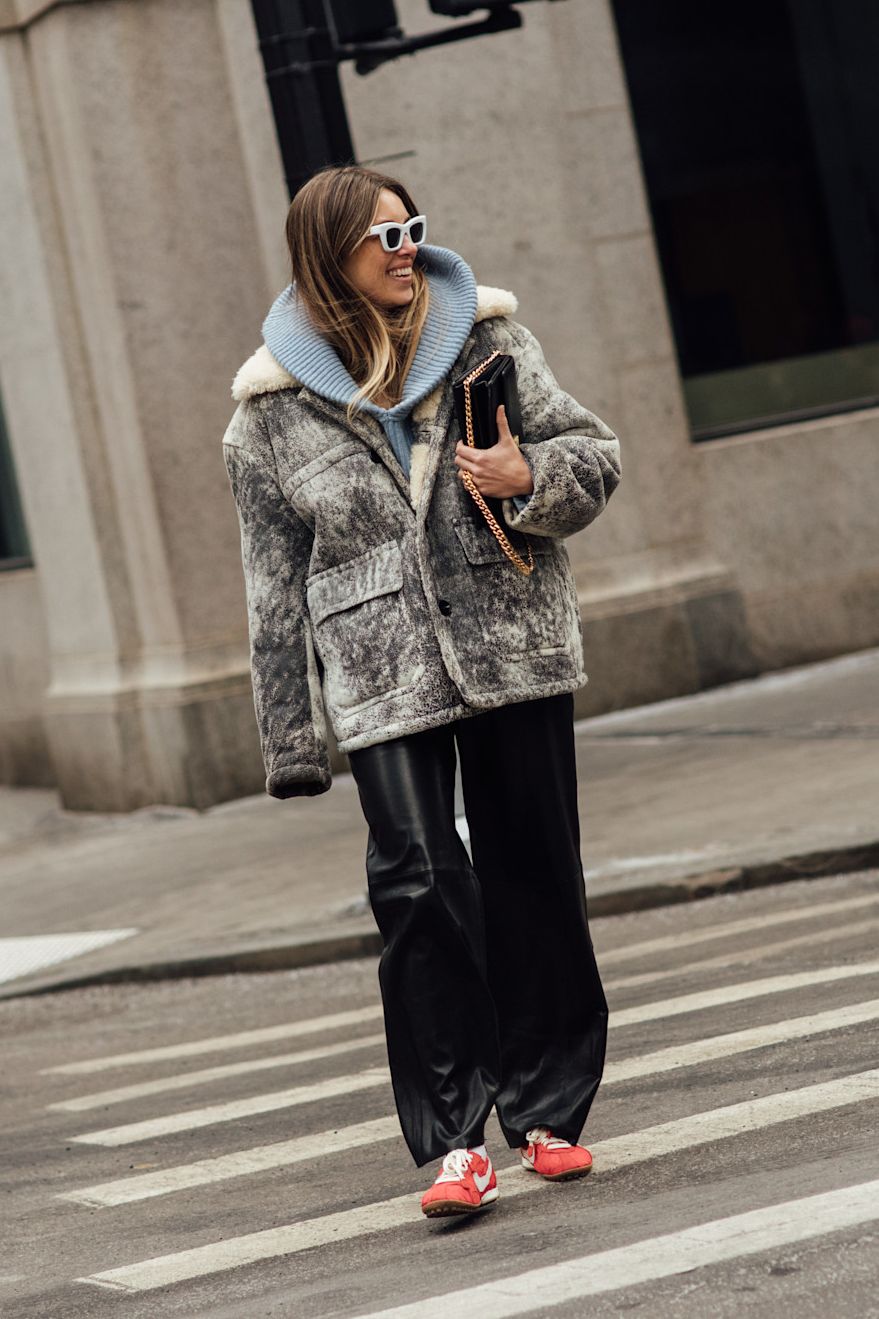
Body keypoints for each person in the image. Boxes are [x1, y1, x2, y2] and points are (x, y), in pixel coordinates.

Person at [223, 165, 622, 1219]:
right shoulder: (266, 414)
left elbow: (596, 451)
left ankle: (545, 1108)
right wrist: (291, 736)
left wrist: (525, 478)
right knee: (416, 882)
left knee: (533, 863)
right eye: (381, 236)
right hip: (377, 670)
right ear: (329, 257)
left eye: (413, 230)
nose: (404, 249)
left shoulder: (494, 344)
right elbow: (272, 588)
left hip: (510, 643)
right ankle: (454, 1139)